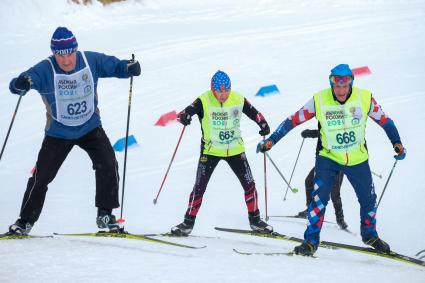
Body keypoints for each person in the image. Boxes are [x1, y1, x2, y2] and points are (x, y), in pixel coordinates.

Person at [257, 64, 406, 256]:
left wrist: (397, 143)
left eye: (345, 86)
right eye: (337, 86)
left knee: (368, 200)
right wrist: (272, 140)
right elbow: (293, 120)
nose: (341, 91)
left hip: (357, 159)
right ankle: (310, 242)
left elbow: (385, 121)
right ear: (331, 84)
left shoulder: (365, 97)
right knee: (319, 200)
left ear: (351, 83)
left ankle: (369, 234)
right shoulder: (319, 99)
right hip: (328, 158)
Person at [7, 27, 141, 235]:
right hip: (58, 132)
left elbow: (114, 66)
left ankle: (105, 214)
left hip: (90, 126)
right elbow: (20, 83)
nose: (66, 60)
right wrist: (20, 84)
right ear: (54, 53)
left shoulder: (90, 60)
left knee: (108, 163)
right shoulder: (45, 69)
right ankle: (24, 221)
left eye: (70, 53)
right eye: (60, 55)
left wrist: (128, 67)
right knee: (41, 177)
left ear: (75, 50)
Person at [171, 70, 273, 236]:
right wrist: (185, 116)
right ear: (213, 89)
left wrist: (263, 124)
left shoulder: (238, 98)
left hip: (235, 149)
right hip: (210, 151)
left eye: (226, 91)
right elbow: (186, 111)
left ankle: (255, 221)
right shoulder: (204, 100)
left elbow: (254, 112)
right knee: (199, 188)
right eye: (220, 91)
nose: (223, 95)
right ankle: (187, 223)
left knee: (249, 184)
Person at [298, 129, 347, 230]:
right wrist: (309, 133)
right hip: (324, 163)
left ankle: (340, 219)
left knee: (334, 193)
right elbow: (321, 132)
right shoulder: (328, 124)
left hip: (338, 164)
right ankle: (310, 209)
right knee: (309, 181)